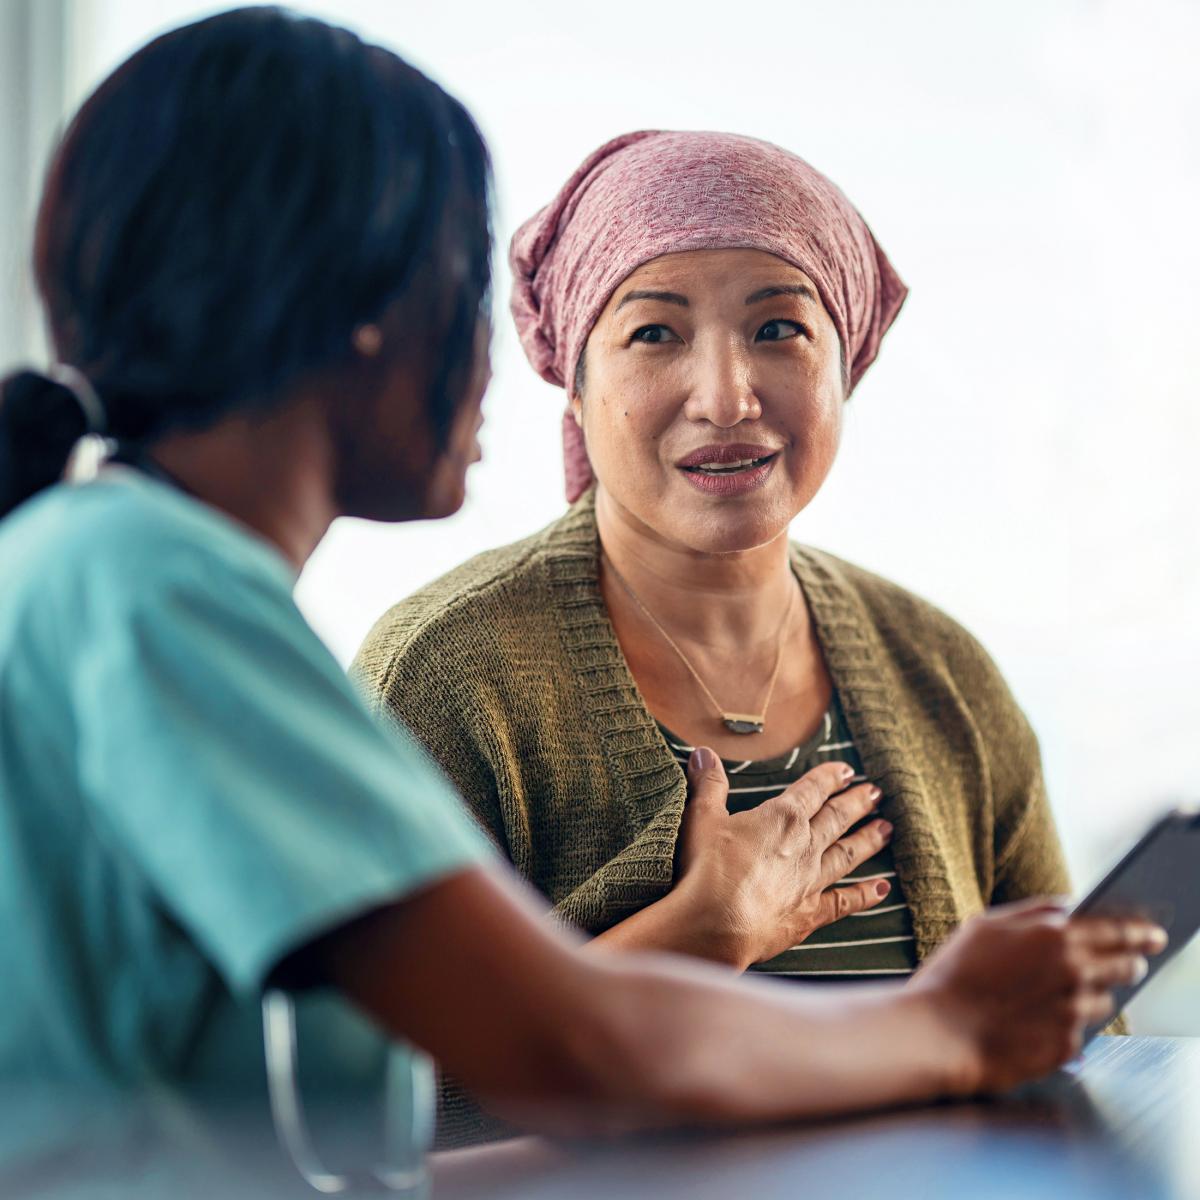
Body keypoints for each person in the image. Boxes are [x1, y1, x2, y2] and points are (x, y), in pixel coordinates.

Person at [0, 10, 1161, 1190]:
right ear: (360, 310)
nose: (505, 354)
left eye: (778, 328)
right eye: (465, 272)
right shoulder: (149, 596)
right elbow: (569, 1042)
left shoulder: (110, 573)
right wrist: (947, 1026)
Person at [354, 130, 1120, 1144]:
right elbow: (366, 1115)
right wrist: (702, 936)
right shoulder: (444, 676)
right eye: (655, 335)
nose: (726, 398)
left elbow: (1066, 1039)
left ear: (848, 364)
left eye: (779, 329)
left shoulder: (943, 671)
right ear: (575, 385)